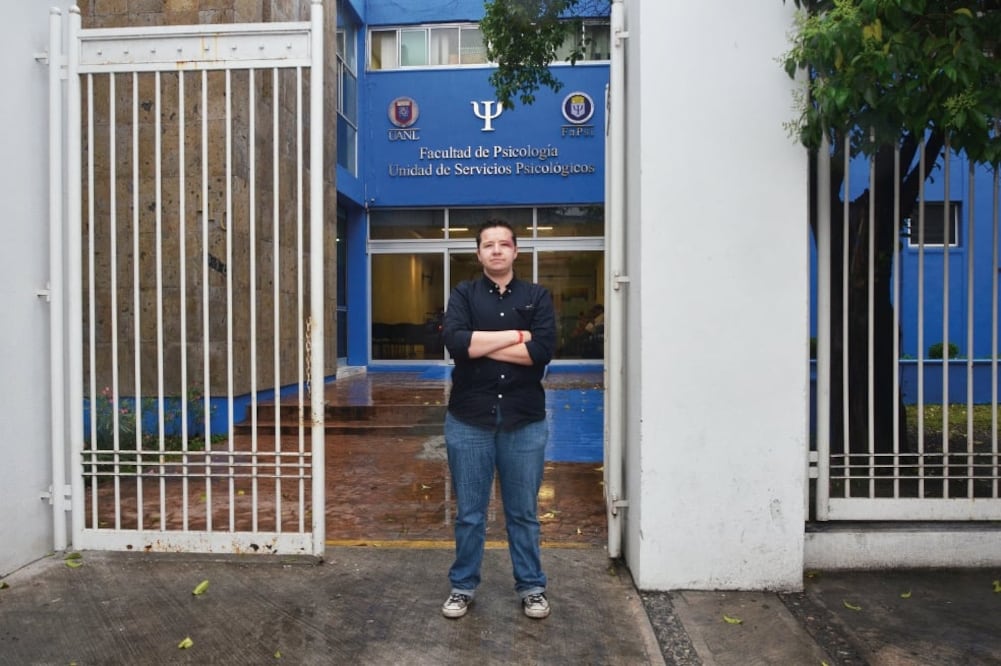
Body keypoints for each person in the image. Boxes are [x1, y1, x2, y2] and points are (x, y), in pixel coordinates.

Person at [440, 218, 557, 620]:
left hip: (524, 421)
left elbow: (541, 353)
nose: (495, 250)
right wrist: (517, 335)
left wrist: (482, 343)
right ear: (478, 253)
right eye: (487, 245)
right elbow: (456, 343)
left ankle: (532, 586)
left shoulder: (538, 296)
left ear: (515, 251)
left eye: (502, 244)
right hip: (469, 420)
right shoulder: (464, 294)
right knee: (470, 513)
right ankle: (462, 586)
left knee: (523, 512)